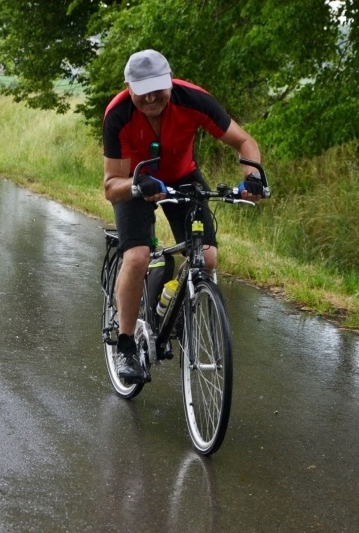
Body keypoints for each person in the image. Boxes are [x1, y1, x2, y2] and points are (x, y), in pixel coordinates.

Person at [102, 49, 264, 383]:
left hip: (182, 177)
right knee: (138, 256)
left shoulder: (194, 100)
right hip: (134, 181)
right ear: (128, 87)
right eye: (141, 91)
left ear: (170, 82)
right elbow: (111, 186)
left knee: (207, 257)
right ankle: (126, 345)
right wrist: (136, 184)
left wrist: (253, 177)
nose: (150, 98)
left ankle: (173, 303)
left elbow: (244, 141)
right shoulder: (118, 114)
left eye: (157, 89)